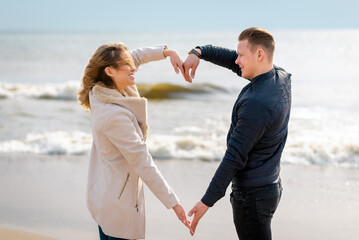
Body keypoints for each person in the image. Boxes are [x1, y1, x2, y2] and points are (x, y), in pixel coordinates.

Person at [184, 27, 292, 239]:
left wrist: (207, 201)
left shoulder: (257, 104)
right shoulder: (280, 78)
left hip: (252, 198)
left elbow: (234, 157)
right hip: (270, 185)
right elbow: (232, 61)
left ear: (259, 54)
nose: (237, 60)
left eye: (241, 55)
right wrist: (199, 52)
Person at [78, 42, 190, 240]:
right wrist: (174, 203)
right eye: (126, 64)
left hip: (107, 195)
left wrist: (167, 52)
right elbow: (142, 161)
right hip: (118, 209)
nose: (133, 67)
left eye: (130, 63)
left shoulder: (104, 90)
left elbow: (136, 56)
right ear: (110, 71)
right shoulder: (113, 115)